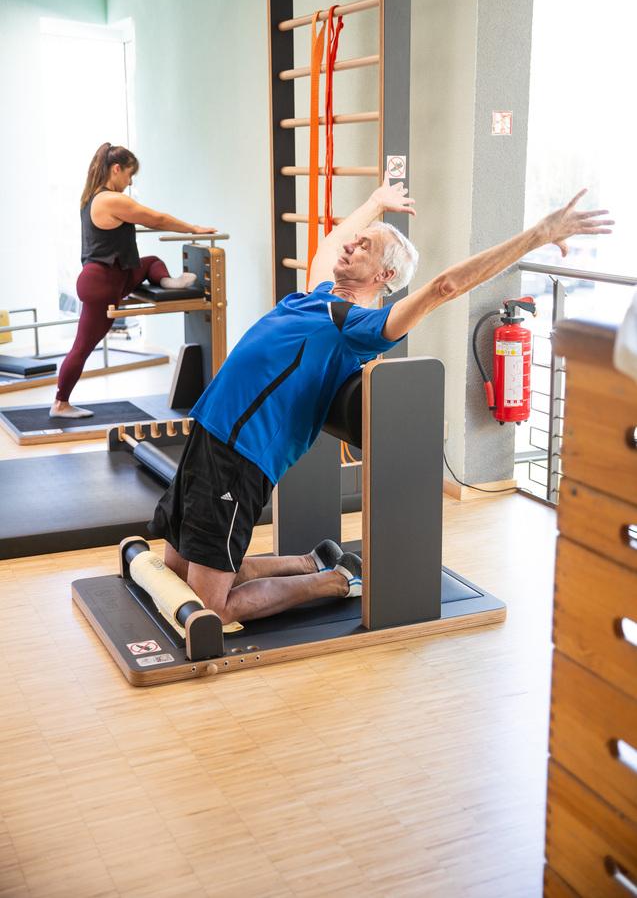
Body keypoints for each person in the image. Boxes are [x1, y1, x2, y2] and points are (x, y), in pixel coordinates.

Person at [148, 173, 613, 624]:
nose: (350, 245)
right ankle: (310, 564)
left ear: (386, 274)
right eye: (357, 240)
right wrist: (374, 203)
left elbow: (445, 286)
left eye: (365, 246)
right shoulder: (317, 296)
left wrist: (537, 235)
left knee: (211, 608)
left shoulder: (360, 327)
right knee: (177, 572)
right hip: (207, 431)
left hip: (241, 454)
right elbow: (333, 239)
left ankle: (333, 582)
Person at [50, 142, 218, 418]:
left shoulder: (91, 197)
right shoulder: (110, 200)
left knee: (150, 262)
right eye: (129, 174)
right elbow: (157, 219)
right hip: (101, 284)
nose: (129, 182)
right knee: (82, 347)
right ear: (116, 169)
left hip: (116, 276)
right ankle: (60, 403)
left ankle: (166, 281)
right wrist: (193, 229)